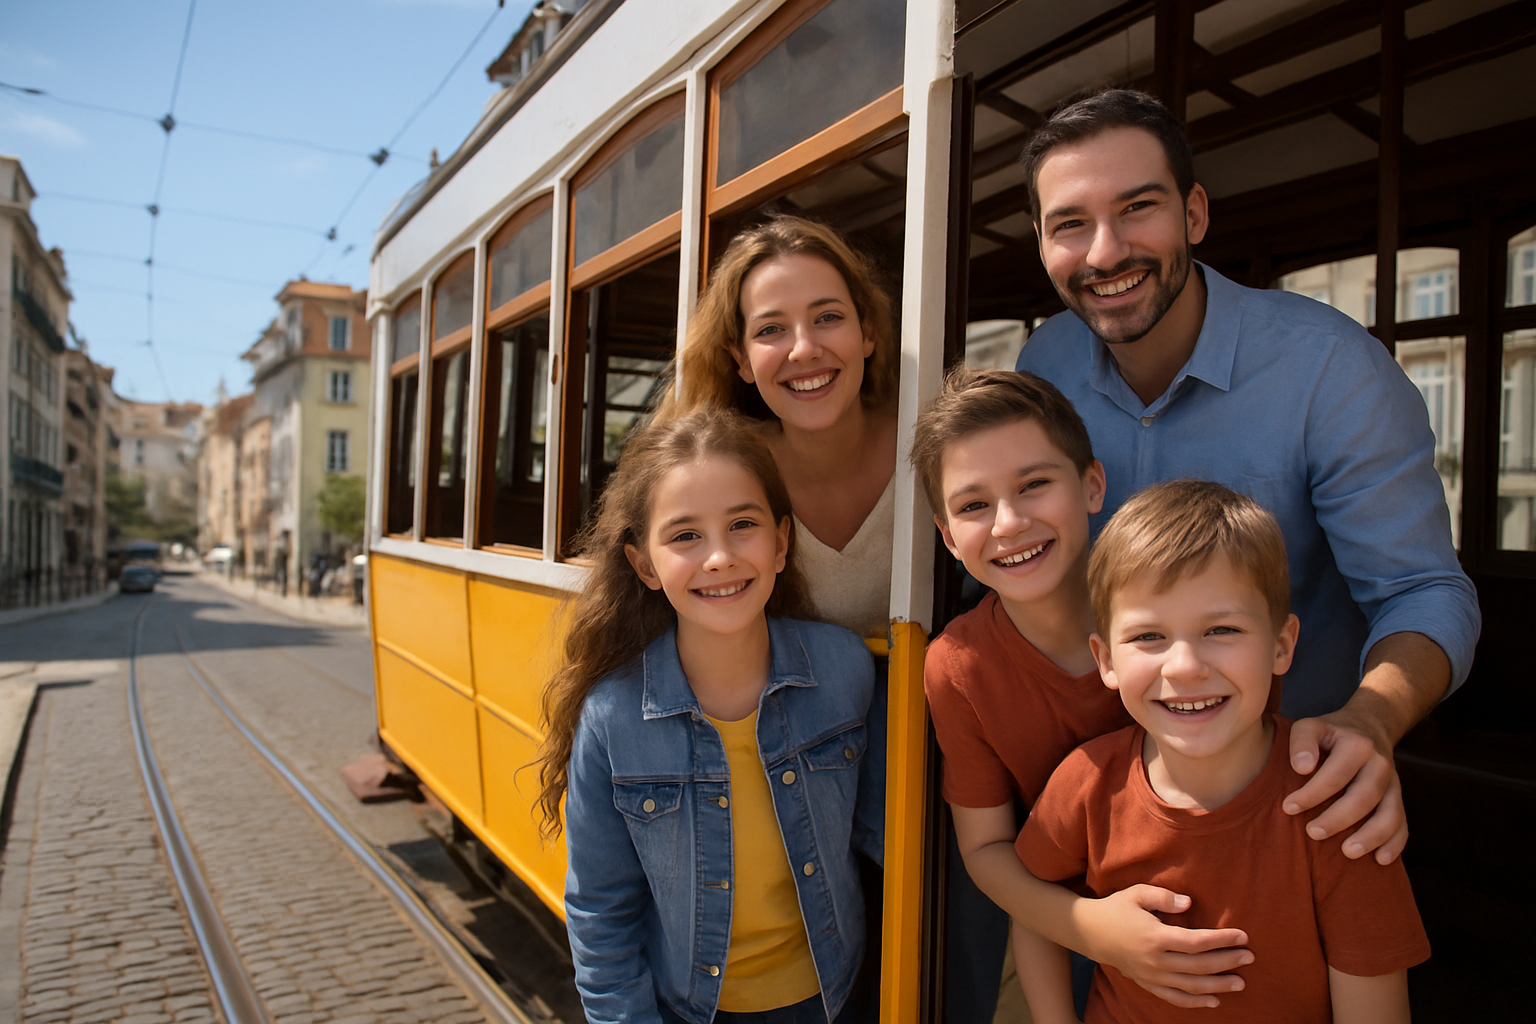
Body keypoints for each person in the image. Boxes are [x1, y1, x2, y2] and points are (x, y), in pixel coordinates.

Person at [1015, 88, 1480, 873]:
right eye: (1070, 224)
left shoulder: (1331, 369)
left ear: (1195, 214)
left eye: (1138, 208)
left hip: (1295, 809)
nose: (1104, 253)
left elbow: (1425, 592)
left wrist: (1371, 718)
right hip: (1100, 797)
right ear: (1040, 241)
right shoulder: (1044, 365)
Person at [1015, 480, 1430, 1023]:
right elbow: (1030, 908)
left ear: (1281, 646)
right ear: (1106, 660)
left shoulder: (1334, 806)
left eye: (1222, 629)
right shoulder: (1086, 783)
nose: (1185, 666)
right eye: (1148, 637)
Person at [536, 409, 882, 1024]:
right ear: (644, 566)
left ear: (780, 543)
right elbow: (601, 915)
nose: (719, 558)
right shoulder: (613, 720)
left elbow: (884, 851)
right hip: (691, 1011)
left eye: (742, 525)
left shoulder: (843, 671)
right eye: (685, 536)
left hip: (833, 999)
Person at [910, 367, 1133, 1010]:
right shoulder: (958, 666)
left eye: (1034, 484)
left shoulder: (1168, 610)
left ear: (1092, 485)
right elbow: (986, 847)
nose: (1009, 522)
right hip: (1064, 925)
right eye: (974, 505)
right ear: (948, 537)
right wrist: (1092, 929)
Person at [661, 215, 899, 638]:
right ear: (742, 360)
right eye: (771, 329)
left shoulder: (935, 448)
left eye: (827, 317)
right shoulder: (719, 475)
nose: (804, 350)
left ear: (867, 332)